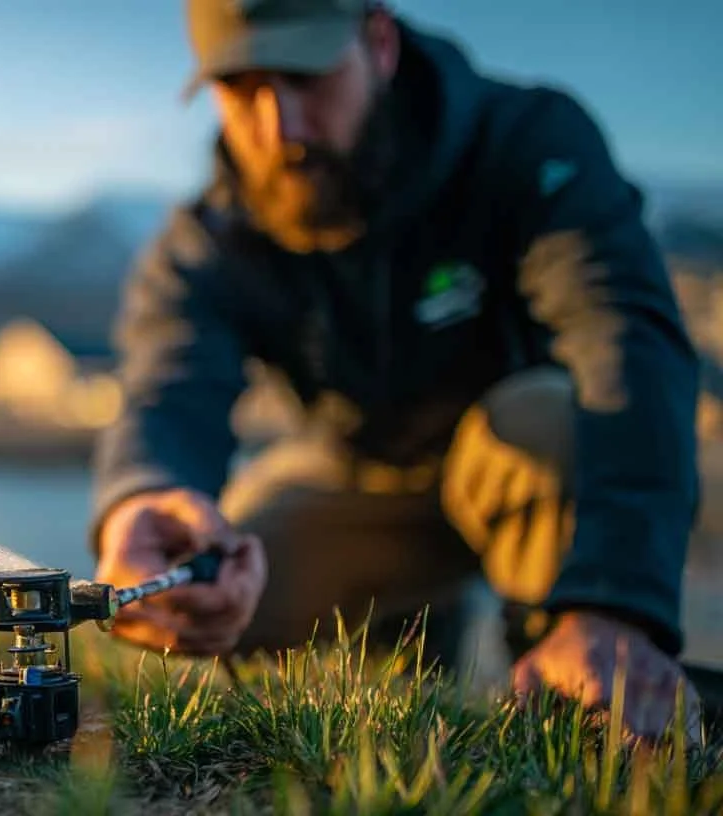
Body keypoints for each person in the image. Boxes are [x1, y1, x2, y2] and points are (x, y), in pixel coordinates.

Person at [90, 0, 705, 743]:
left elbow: (625, 339)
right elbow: (169, 383)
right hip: (361, 483)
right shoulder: (208, 239)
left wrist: (617, 600)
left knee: (544, 420)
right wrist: (146, 499)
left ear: (378, 41)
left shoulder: (526, 140)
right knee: (212, 583)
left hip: (525, 476)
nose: (278, 127)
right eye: (242, 86)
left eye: (303, 75)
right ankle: (413, 640)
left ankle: (578, 693)